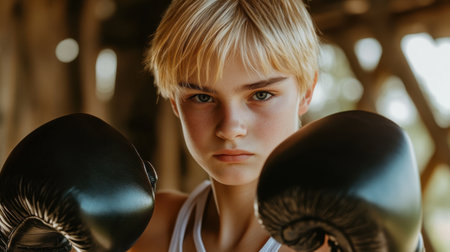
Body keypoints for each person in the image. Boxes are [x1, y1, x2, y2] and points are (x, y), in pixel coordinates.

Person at [130, 0, 325, 251]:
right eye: (203, 98)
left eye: (261, 95)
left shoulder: (338, 242)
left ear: (306, 93)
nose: (231, 128)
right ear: (175, 103)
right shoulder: (148, 229)